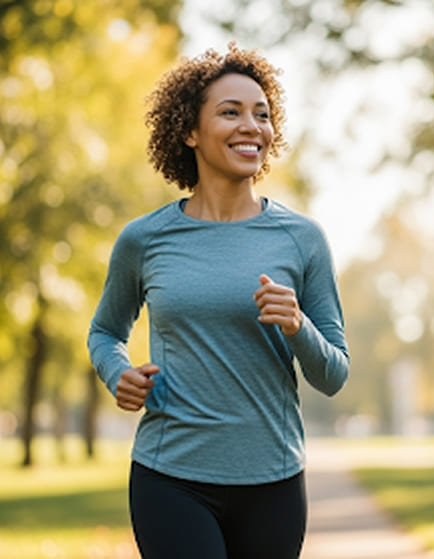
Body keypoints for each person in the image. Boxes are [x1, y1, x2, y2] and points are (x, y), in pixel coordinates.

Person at [87, 44, 350, 559]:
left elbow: (334, 375)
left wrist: (298, 325)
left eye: (262, 114)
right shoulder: (145, 239)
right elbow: (105, 332)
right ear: (190, 131)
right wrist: (116, 372)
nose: (251, 125)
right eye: (230, 112)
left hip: (273, 479)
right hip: (171, 477)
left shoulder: (302, 238)